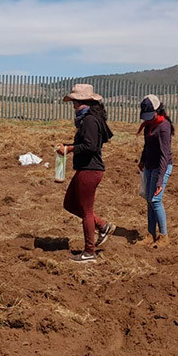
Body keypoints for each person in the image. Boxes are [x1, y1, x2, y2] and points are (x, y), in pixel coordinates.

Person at [55, 84, 115, 263]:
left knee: (86, 210)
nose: (73, 106)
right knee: (69, 203)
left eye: (75, 102)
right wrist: (66, 146)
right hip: (86, 168)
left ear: (84, 102)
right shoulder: (90, 119)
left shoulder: (89, 120)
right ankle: (102, 225)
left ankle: (89, 252)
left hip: (90, 169)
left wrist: (70, 148)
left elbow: (91, 146)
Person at [138, 94, 174, 248]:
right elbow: (147, 145)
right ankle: (150, 234)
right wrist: (142, 160)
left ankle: (164, 236)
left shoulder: (164, 126)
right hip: (149, 166)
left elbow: (165, 155)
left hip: (162, 166)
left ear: (157, 110)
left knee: (156, 200)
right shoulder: (148, 125)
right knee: (148, 200)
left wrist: (160, 180)